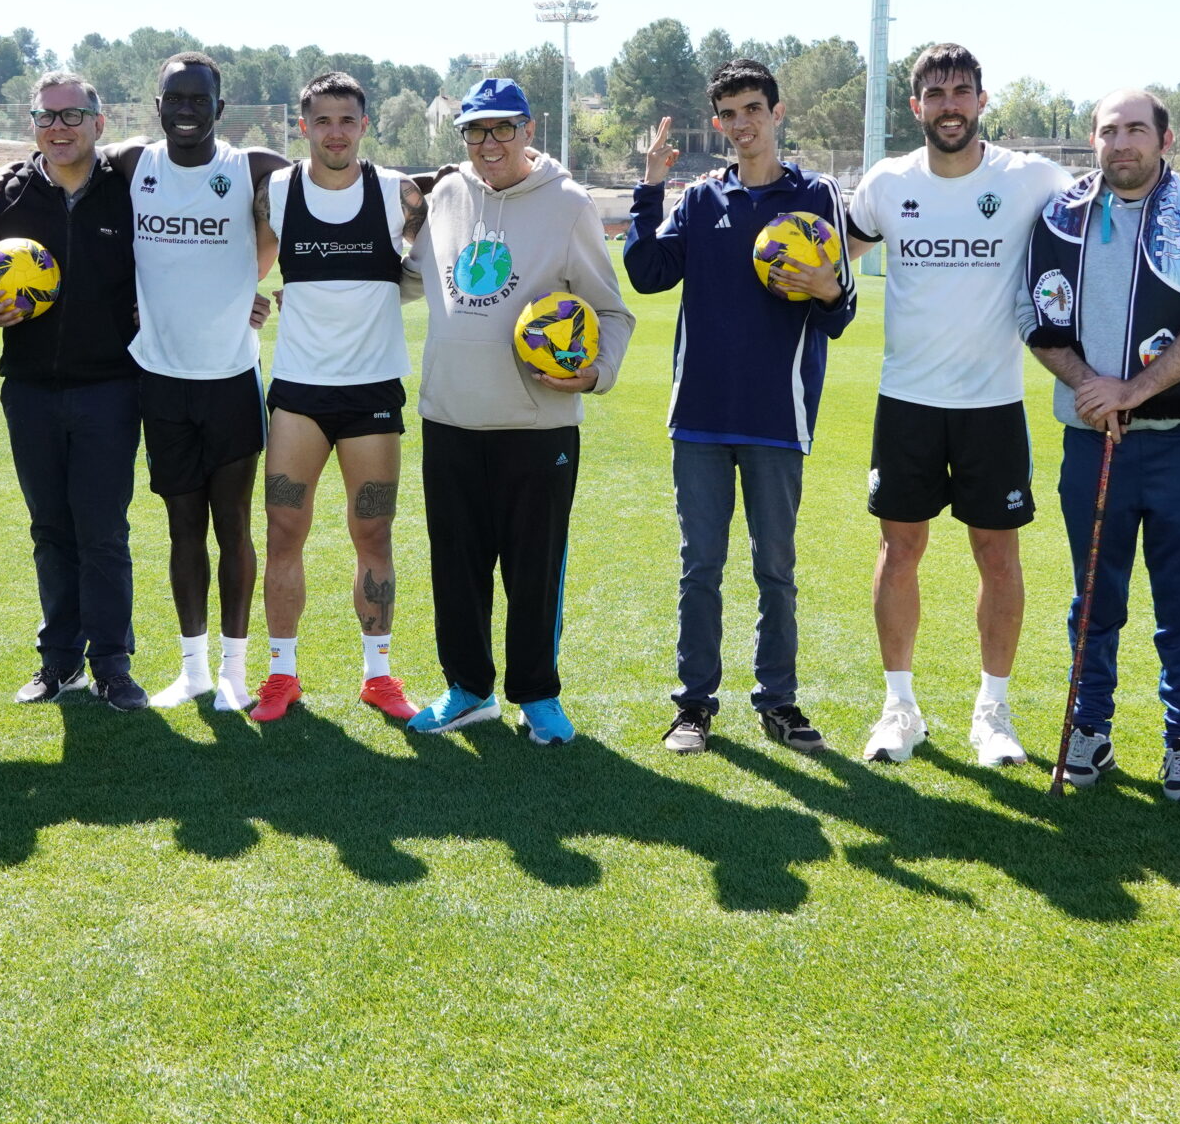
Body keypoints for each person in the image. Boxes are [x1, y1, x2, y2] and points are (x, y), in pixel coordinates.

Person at [842, 43, 1070, 767]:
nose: (949, 105)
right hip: (906, 399)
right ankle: (899, 708)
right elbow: (830, 256)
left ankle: (991, 714)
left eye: (961, 91)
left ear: (980, 100)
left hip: (993, 404)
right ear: (916, 107)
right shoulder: (886, 183)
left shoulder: (1030, 178)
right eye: (935, 93)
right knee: (899, 550)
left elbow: (1113, 199)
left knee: (998, 555)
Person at [1020, 88, 1180, 803]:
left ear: (1165, 139)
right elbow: (1032, 310)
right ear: (1094, 141)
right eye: (1109, 131)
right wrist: (1093, 387)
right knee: (1096, 598)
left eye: (1137, 130)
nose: (1123, 143)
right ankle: (1090, 729)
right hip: (1094, 441)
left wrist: (1133, 391)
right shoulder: (1059, 217)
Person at [624, 57, 855, 755]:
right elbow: (647, 274)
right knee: (700, 565)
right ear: (718, 123)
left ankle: (777, 702)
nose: (742, 123)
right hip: (698, 413)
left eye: (753, 108)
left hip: (776, 417)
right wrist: (649, 189)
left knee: (774, 567)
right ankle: (694, 705)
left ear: (775, 113)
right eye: (729, 114)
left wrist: (823, 287)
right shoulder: (700, 201)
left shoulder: (816, 197)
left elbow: (840, 311)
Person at [401, 77, 635, 744]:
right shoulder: (447, 196)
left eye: (504, 127)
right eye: (476, 129)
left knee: (534, 570)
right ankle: (468, 690)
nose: (489, 142)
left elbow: (613, 311)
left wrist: (595, 374)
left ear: (529, 131)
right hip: (450, 417)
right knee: (457, 567)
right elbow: (413, 281)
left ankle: (537, 695)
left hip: (538, 428)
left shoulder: (568, 205)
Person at [96, 53, 283, 711]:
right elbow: (55, 160)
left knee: (232, 522)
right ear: (157, 105)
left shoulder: (250, 167)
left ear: (219, 109)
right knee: (182, 527)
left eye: (197, 99)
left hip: (231, 376)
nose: (184, 109)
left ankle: (235, 673)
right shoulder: (130, 162)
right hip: (161, 379)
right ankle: (194, 670)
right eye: (173, 97)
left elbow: (332, 177)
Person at [250, 71, 429, 723]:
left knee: (373, 532)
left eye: (346, 120)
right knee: (283, 530)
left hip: (372, 396)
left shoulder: (397, 193)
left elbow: (427, 268)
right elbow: (252, 266)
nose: (334, 131)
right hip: (298, 394)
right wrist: (247, 295)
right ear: (304, 127)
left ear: (364, 124)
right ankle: (281, 674)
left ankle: (379, 675)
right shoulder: (278, 191)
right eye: (321, 120)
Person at [0, 71, 149, 713]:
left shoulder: (129, 189)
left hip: (109, 387)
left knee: (102, 529)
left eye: (72, 116)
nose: (59, 127)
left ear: (99, 123)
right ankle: (59, 663)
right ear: (33, 126)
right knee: (50, 529)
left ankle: (112, 663)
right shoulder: (10, 193)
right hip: (29, 389)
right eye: (46, 117)